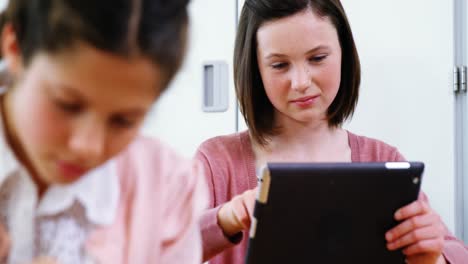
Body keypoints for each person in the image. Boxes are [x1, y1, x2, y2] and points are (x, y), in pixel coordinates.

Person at [196, 0, 468, 263]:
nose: (301, 82)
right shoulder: (217, 162)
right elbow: (159, 249)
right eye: (279, 65)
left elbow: (454, 253)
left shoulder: (383, 159)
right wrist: (225, 219)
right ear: (255, 68)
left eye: (317, 58)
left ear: (344, 54)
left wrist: (431, 257)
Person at [0, 0, 206, 263]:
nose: (88, 146)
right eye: (67, 105)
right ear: (14, 47)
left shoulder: (167, 188)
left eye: (123, 121)